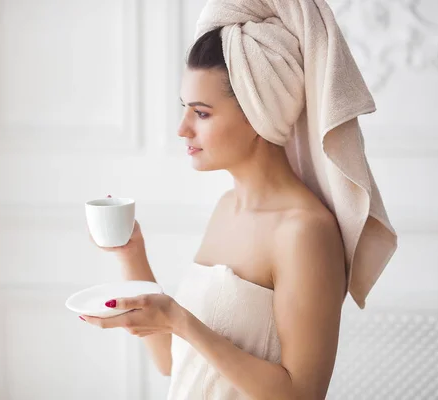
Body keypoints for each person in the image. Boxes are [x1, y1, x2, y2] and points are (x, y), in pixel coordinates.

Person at [81, 1, 397, 398]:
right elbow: (173, 363)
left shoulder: (305, 232)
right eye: (185, 110)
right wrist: (132, 254)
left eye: (202, 113)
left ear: (257, 114)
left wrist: (181, 321)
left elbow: (302, 394)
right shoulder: (227, 208)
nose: (182, 129)